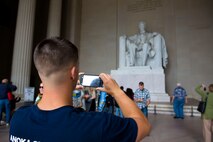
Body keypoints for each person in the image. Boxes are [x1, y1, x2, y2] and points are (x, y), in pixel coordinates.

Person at [10, 37, 151, 142]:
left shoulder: (18, 118)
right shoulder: (97, 125)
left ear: (40, 71)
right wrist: (116, 91)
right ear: (73, 73)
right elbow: (143, 125)